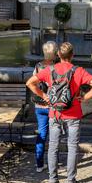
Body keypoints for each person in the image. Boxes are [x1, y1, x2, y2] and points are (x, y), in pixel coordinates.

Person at [26, 42, 92, 183]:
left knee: (53, 147)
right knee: (72, 147)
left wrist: (45, 96)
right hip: (73, 115)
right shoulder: (78, 71)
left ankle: (53, 181)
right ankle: (71, 182)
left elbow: (30, 82)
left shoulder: (49, 70)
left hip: (54, 113)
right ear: (72, 55)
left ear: (59, 55)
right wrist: (85, 97)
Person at [31, 41, 58, 173]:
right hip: (52, 106)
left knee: (41, 135)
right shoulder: (56, 67)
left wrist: (42, 95)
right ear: (54, 53)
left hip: (39, 105)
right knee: (54, 136)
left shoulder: (38, 66)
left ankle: (39, 164)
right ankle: (53, 165)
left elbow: (32, 83)